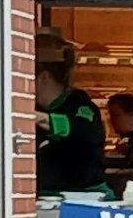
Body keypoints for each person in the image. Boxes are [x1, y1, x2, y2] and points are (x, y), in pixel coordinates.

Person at [34, 41, 107, 196]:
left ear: (44, 77)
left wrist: (40, 119)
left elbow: (85, 130)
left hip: (84, 196)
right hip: (44, 195)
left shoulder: (80, 105)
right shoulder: (37, 108)